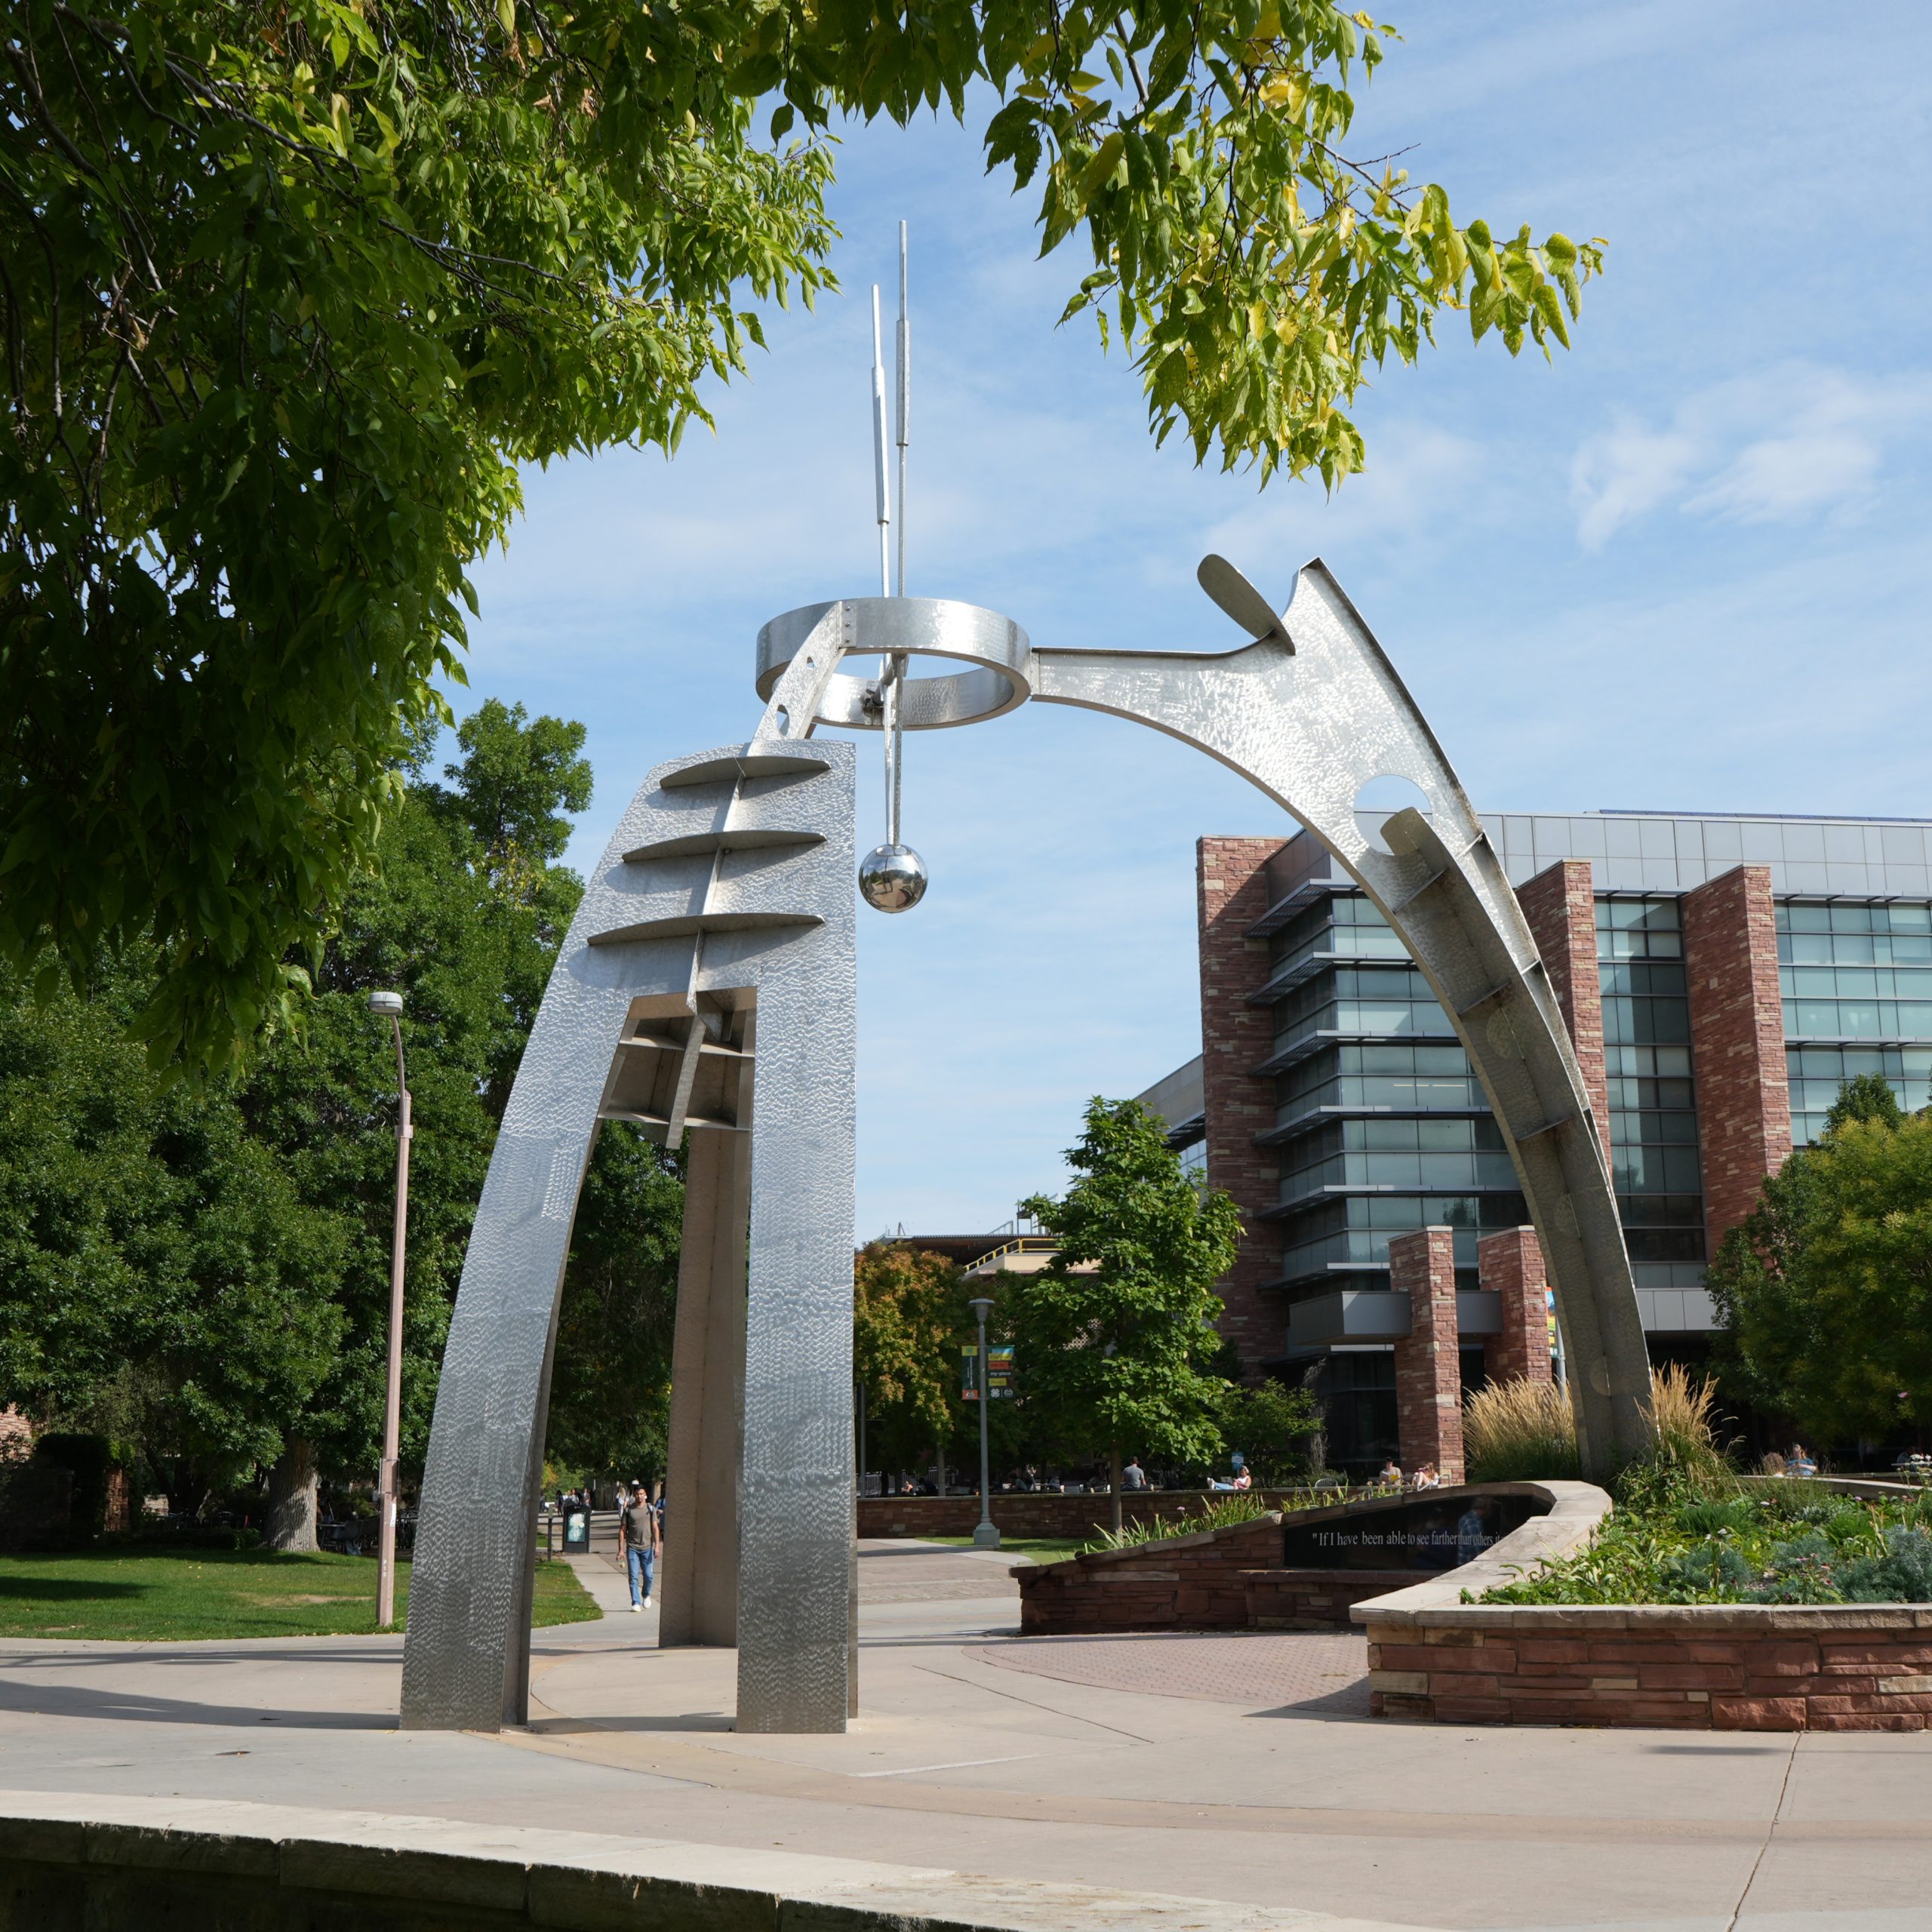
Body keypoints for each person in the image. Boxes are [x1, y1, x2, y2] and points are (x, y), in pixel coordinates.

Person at [623, 1479, 660, 1611]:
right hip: (632, 1547)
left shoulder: (650, 1509)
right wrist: (620, 1550)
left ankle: (646, 1594)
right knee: (633, 1576)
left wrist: (657, 1546)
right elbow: (622, 1530)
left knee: (648, 1575)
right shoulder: (629, 1510)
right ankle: (636, 1602)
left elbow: (655, 1528)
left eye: (642, 1494)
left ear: (645, 1495)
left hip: (647, 1548)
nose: (639, 1496)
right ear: (634, 1495)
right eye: (637, 1494)